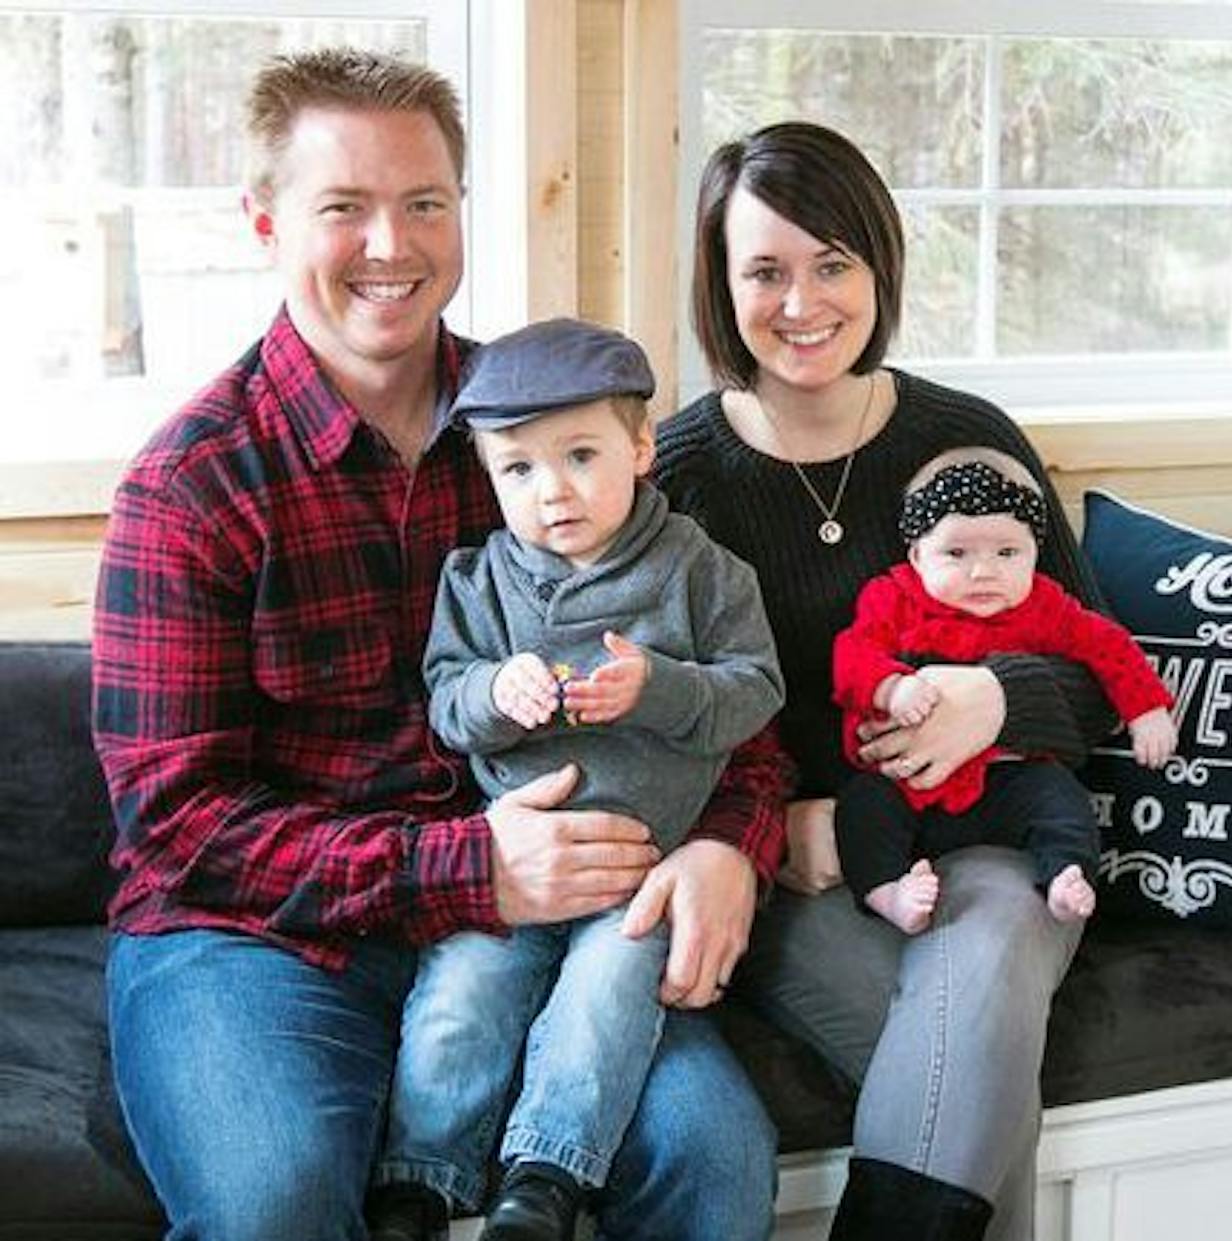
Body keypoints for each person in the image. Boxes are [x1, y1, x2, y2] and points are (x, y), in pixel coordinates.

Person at [91, 49, 785, 1241]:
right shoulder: (191, 483)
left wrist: (729, 847)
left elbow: (727, 686)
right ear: (266, 221)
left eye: (422, 203)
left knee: (710, 1157)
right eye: (342, 207)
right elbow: (176, 817)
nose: (389, 244)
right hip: (261, 939)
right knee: (273, 1203)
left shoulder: (558, 433)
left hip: (558, 914)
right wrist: (464, 870)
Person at [655, 119, 1121, 1241]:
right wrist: (779, 829)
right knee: (969, 1068)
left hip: (996, 841)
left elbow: (1105, 678)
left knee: (988, 958)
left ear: (878, 267)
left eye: (832, 263)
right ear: (722, 288)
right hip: (808, 873)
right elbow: (661, 725)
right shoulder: (678, 477)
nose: (800, 301)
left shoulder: (966, 441)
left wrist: (999, 698)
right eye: (763, 270)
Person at [372, 317, 784, 1241]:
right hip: (507, 864)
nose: (551, 490)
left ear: (640, 447)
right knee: (458, 1000)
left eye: (581, 455)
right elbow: (444, 697)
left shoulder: (702, 573)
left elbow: (755, 690)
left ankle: (545, 1178)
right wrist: (494, 690)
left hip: (637, 869)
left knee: (604, 999)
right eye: (517, 469)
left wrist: (660, 684)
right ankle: (418, 1180)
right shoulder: (478, 581)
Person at [832, 446, 1177, 935]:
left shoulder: (1044, 604)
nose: (984, 571)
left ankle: (1065, 874)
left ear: (1035, 552)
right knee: (863, 808)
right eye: (956, 553)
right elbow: (852, 654)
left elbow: (1107, 646)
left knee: (1062, 799)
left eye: (1007, 553)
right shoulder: (892, 598)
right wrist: (890, 688)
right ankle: (886, 890)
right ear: (916, 554)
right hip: (908, 784)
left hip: (1008, 780)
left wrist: (1145, 708)